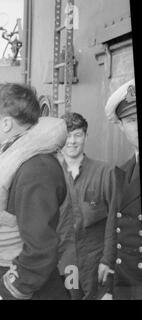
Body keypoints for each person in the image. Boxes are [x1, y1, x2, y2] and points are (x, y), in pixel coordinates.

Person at [0, 83, 68, 300]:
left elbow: (41, 250)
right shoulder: (13, 157)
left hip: (17, 286)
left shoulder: (36, 169)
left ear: (6, 123)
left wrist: (4, 294)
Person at [56, 112, 117, 299]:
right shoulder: (51, 173)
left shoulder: (105, 172)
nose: (72, 141)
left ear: (86, 137)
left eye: (78, 135)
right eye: (67, 135)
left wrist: (108, 259)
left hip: (96, 261)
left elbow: (114, 220)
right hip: (64, 261)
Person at [103, 79, 141, 299]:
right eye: (132, 119)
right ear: (121, 126)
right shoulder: (122, 172)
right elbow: (114, 228)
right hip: (127, 285)